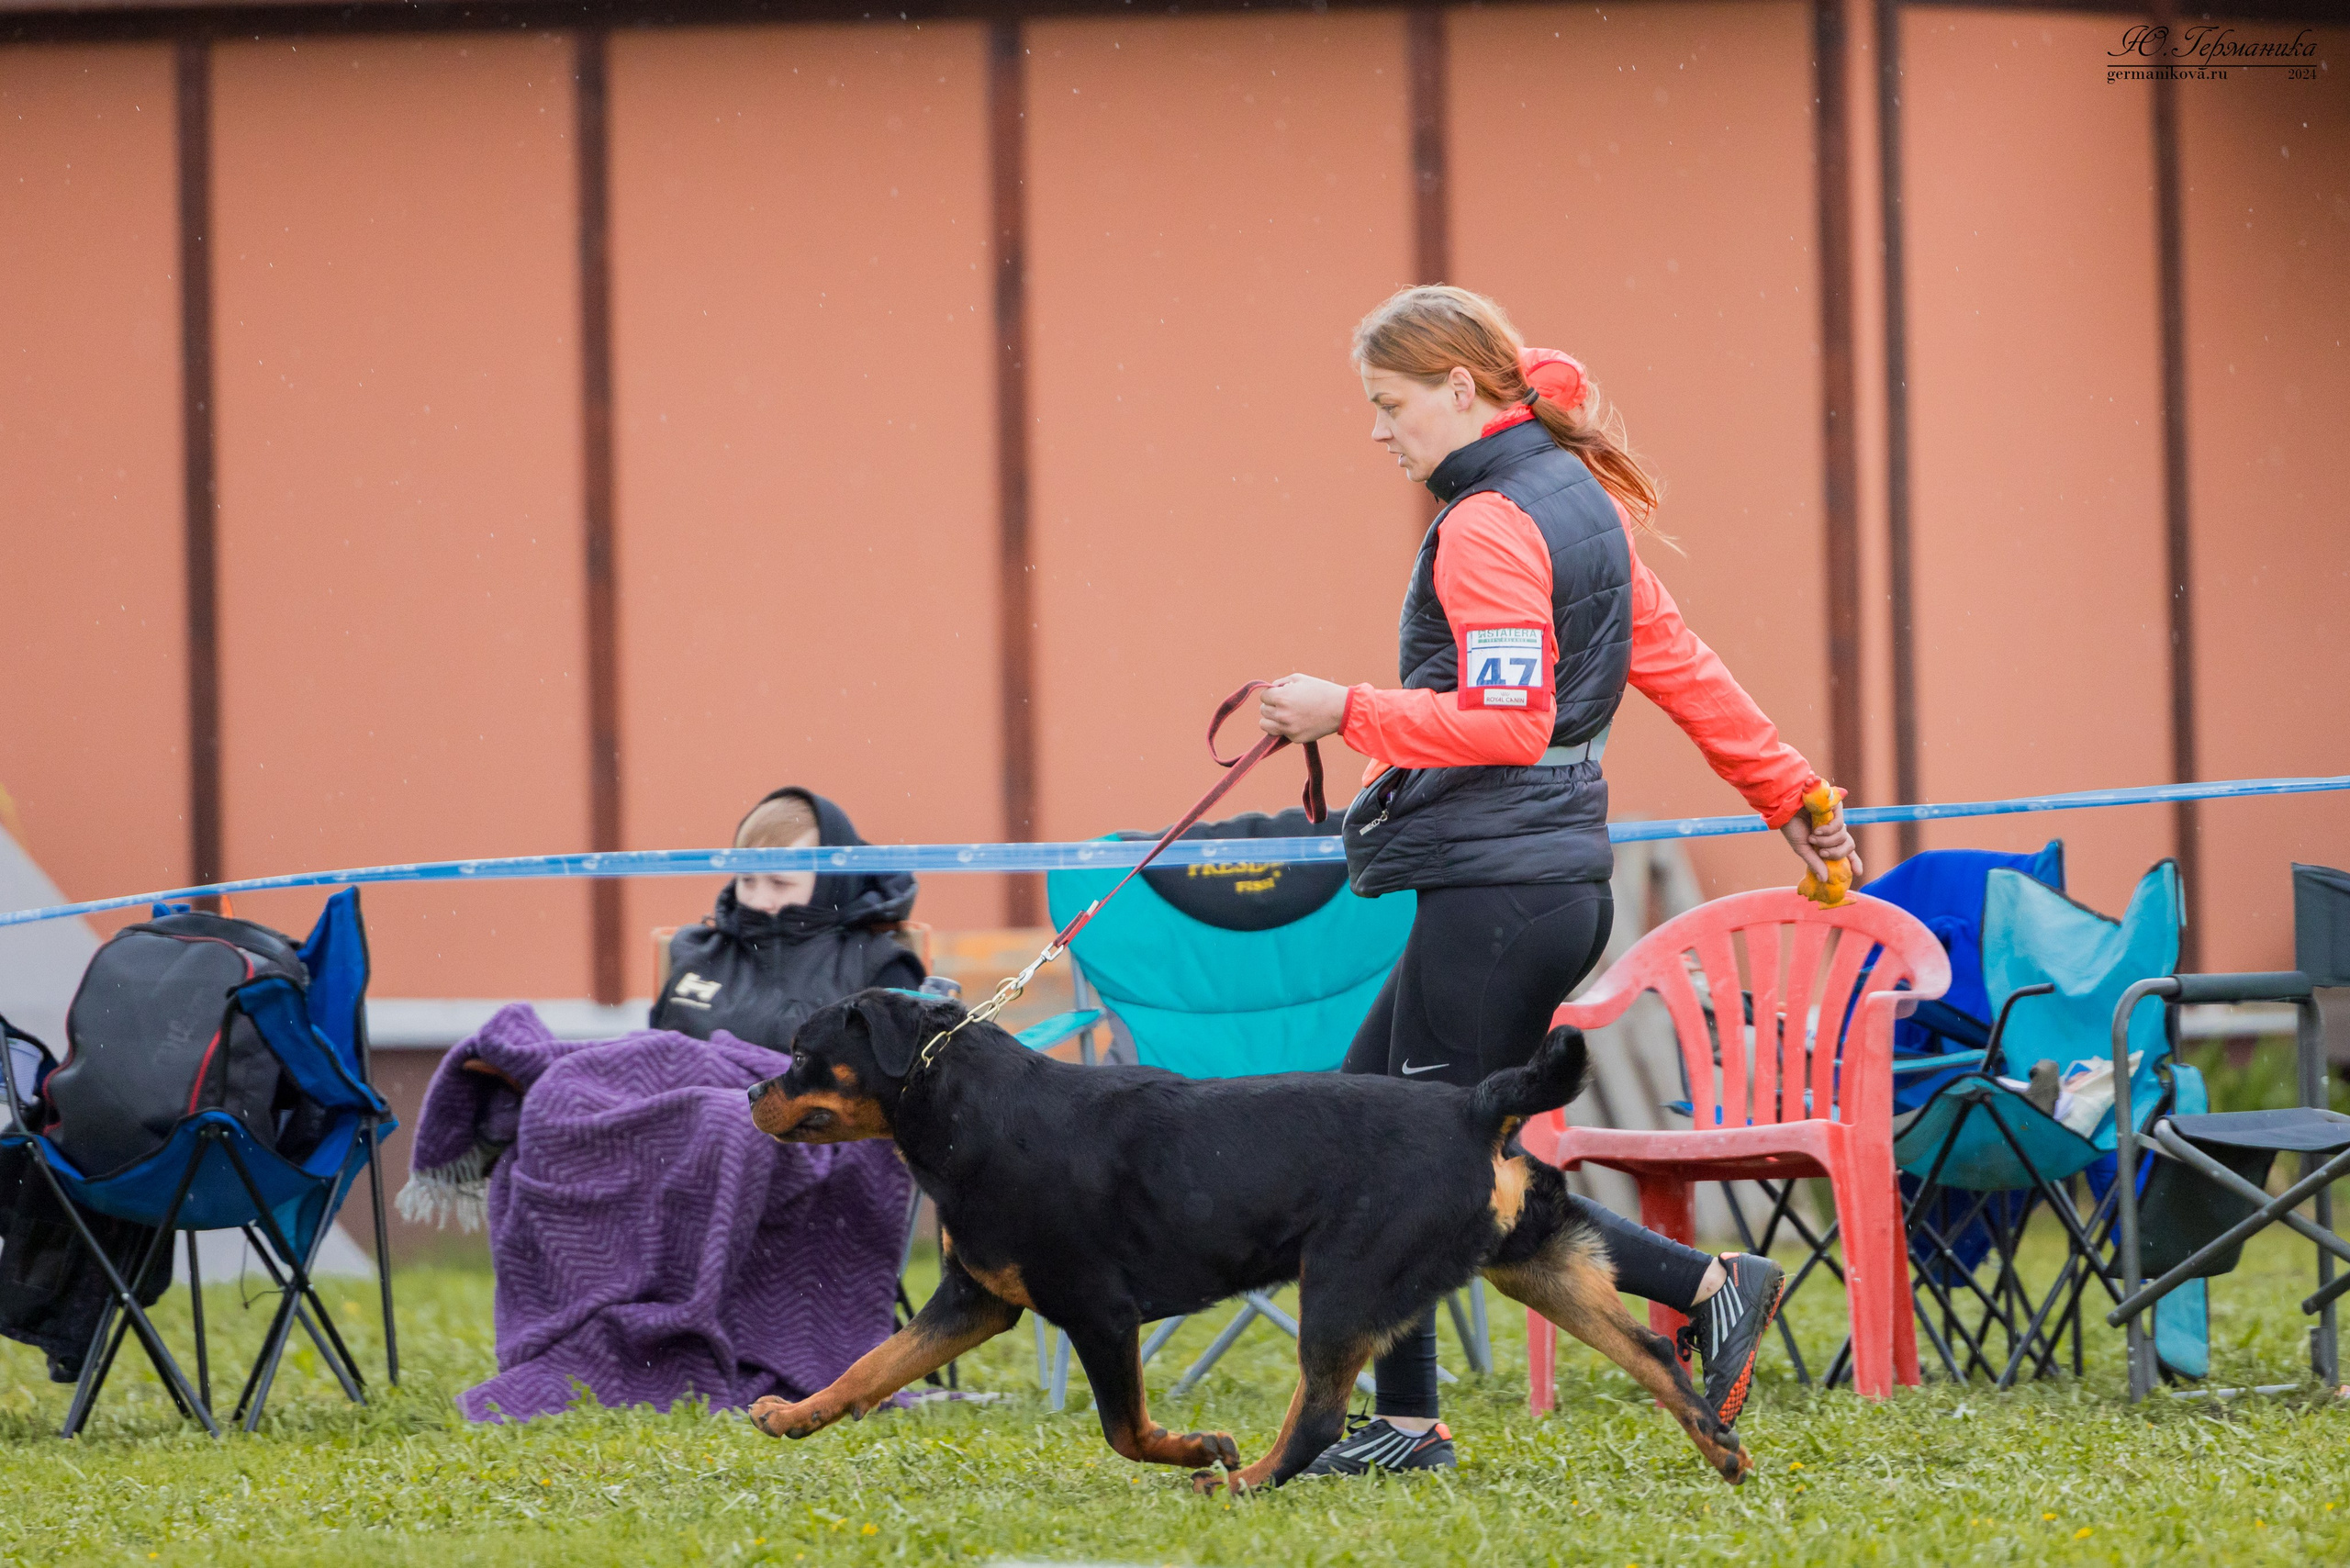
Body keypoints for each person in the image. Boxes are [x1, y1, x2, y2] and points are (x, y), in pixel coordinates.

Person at [1254, 285, 1860, 1478]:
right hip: (1546, 882)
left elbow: (1508, 721)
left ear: (1462, 391)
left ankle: (1706, 1286)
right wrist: (1794, 797)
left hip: (1503, 889)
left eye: (1390, 406)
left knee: (1425, 1165)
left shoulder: (1488, 523)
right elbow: (1682, 666)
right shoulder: (1576, 503)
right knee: (1372, 1135)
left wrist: (1344, 710)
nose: (1380, 432)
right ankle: (1405, 1421)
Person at [650, 787, 925, 1046]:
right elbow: (648, 1060)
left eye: (780, 883)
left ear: (828, 884)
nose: (758, 900)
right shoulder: (697, 953)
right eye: (747, 881)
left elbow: (904, 1081)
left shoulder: (877, 965)